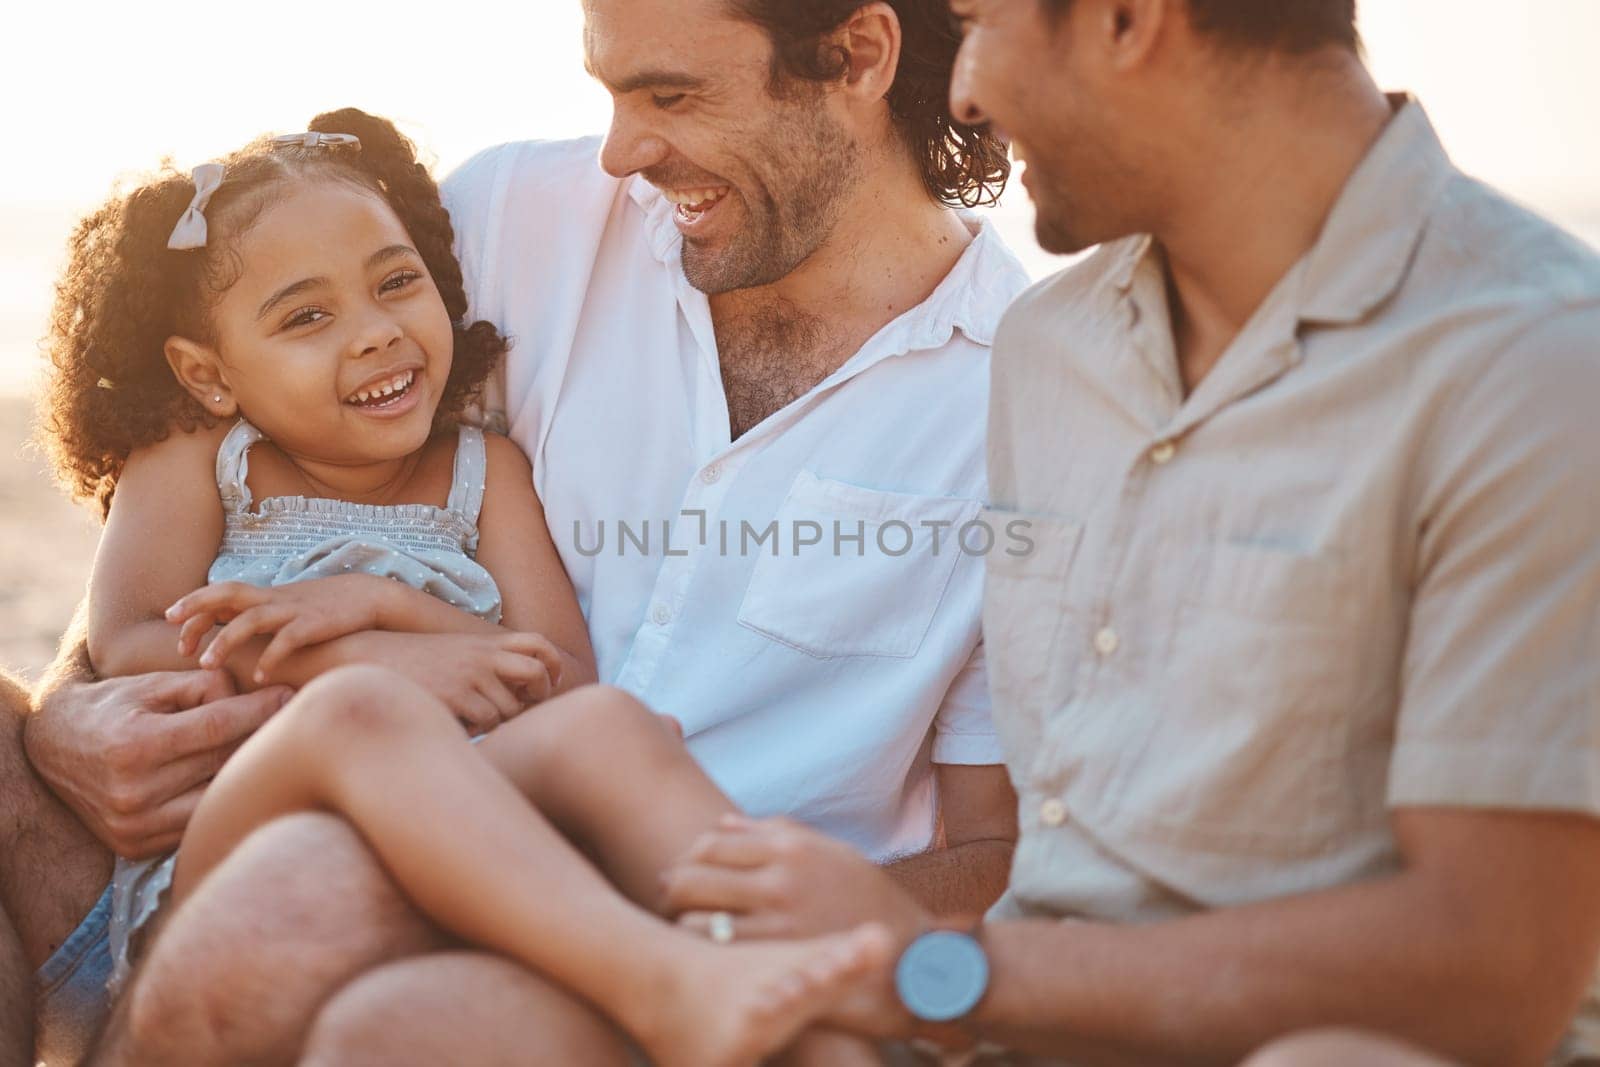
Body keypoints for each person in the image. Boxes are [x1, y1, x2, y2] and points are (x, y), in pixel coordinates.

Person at [8, 0, 1032, 1062]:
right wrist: (62, 717)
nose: (623, 151)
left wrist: (766, 927)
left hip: (651, 887)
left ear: (859, 57)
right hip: (320, 808)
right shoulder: (509, 218)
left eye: (670, 94)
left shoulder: (1026, 401)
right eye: (610, 92)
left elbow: (1003, 850)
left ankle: (736, 995)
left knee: (342, 917)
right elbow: (171, 556)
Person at [633, 0, 1600, 1064]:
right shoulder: (1049, 347)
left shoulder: (1538, 365)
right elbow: (1024, 839)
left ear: (1128, 20)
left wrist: (923, 965)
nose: (959, 92)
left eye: (981, 22)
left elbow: (1492, 965)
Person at [35, 107, 596, 999]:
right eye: (306, 316)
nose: (375, 331)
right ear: (209, 373)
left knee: (624, 735)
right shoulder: (202, 455)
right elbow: (132, 636)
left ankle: (720, 930)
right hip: (257, 835)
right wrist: (356, 662)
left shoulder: (487, 473)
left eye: (396, 281)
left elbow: (567, 681)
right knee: (359, 720)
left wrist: (392, 609)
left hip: (478, 820)